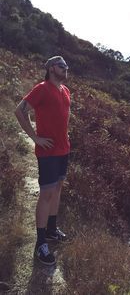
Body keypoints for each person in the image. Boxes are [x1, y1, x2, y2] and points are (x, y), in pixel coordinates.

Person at [13, 56, 72, 266]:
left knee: (57, 190)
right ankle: (40, 244)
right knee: (46, 193)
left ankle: (52, 230)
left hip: (63, 149)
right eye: (61, 66)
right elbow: (20, 110)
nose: (66, 69)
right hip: (47, 152)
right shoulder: (42, 88)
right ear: (50, 68)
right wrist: (35, 137)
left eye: (66, 66)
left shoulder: (65, 91)